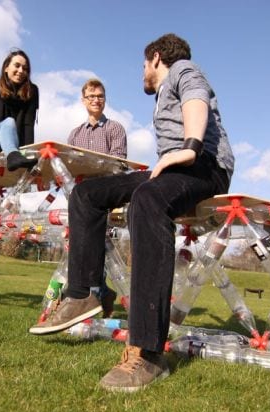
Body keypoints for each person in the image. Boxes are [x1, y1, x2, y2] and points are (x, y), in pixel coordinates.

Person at [30, 33, 234, 393]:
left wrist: (190, 147)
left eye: (143, 64)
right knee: (87, 194)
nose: (142, 71)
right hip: (174, 169)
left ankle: (149, 352)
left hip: (204, 167)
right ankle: (85, 293)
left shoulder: (183, 70)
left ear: (156, 58)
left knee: (147, 199)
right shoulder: (162, 95)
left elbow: (197, 100)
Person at [67, 78, 128, 317]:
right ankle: (97, 294)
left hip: (106, 197)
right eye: (91, 96)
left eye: (100, 96)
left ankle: (93, 296)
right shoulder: (74, 134)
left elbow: (119, 165)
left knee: (101, 250)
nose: (96, 100)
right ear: (83, 100)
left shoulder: (114, 129)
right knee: (82, 248)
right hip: (82, 200)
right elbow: (70, 165)